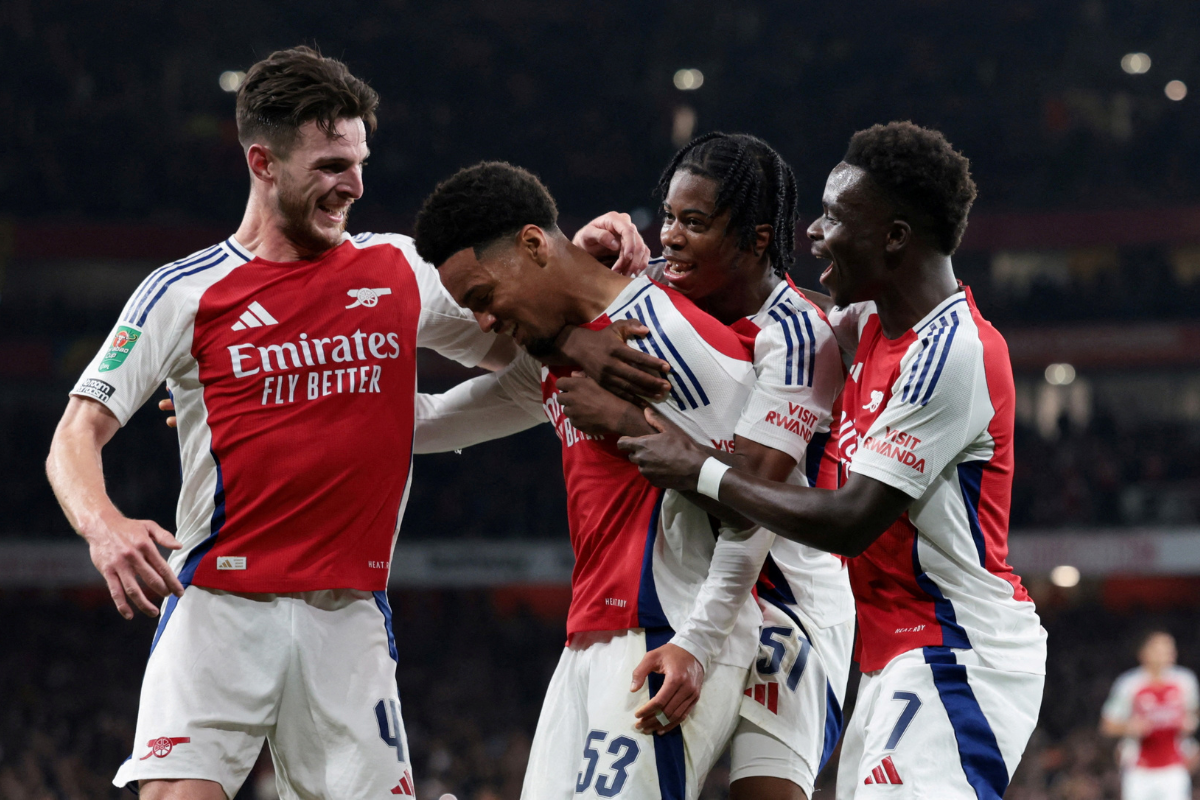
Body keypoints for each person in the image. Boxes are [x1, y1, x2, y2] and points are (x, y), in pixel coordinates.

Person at [44, 46, 524, 800]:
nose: (355, 184)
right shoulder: (183, 292)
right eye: (332, 164)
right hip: (217, 611)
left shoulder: (400, 270)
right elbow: (75, 434)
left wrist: (581, 266)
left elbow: (524, 352)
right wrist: (104, 526)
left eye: (360, 161)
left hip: (349, 620)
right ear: (263, 162)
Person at [616, 121, 1047, 799]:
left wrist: (697, 467)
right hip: (891, 657)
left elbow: (850, 520)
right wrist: (641, 266)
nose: (812, 232)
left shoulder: (951, 353)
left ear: (895, 237)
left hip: (957, 652)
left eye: (835, 217)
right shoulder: (870, 325)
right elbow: (765, 299)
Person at [411, 159, 770, 800]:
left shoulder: (670, 337)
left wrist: (699, 641)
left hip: (668, 633)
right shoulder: (553, 357)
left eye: (485, 298)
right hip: (587, 642)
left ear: (531, 246)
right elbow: (428, 422)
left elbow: (755, 501)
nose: (486, 323)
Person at [564, 132, 855, 800]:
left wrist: (624, 419)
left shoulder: (803, 335)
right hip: (685, 588)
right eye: (667, 217)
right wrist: (581, 269)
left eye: (694, 223)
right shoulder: (654, 299)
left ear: (756, 240)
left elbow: (748, 496)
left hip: (794, 606)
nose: (671, 237)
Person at [1101, 630, 1199, 800]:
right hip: (1138, 770)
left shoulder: (1185, 681)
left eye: (1169, 649)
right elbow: (1107, 726)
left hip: (1174, 768)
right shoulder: (1128, 684)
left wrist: (1190, 724)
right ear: (1143, 653)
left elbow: (1193, 715)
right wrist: (1129, 727)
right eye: (1158, 649)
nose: (1165, 654)